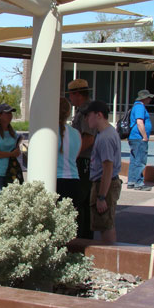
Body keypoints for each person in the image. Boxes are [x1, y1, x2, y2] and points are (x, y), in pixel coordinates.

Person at [84, 100, 122, 244]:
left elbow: (108, 168)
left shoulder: (106, 137)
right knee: (104, 224)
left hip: (105, 184)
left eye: (88, 115)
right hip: (104, 183)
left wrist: (101, 197)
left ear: (99, 115)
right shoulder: (106, 133)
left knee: (106, 225)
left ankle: (109, 256)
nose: (86, 119)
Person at [67, 78, 96, 239]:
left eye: (70, 94)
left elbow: (88, 138)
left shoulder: (86, 111)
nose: (70, 98)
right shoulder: (83, 110)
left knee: (81, 200)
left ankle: (83, 238)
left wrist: (73, 155)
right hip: (84, 160)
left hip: (84, 161)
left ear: (77, 94)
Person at [55, 98, 83, 237]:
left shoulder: (49, 133)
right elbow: (75, 156)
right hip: (74, 181)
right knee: (70, 225)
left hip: (55, 181)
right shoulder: (76, 134)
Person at [0, 103, 21, 194]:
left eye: (11, 113)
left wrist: (17, 151)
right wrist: (11, 154)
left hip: (12, 170)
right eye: (7, 113)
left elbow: (16, 149)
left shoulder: (13, 132)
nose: (10, 115)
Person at [127, 89, 154, 191]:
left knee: (134, 159)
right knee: (140, 160)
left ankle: (132, 181)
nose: (150, 100)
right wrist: (144, 136)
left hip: (134, 137)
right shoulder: (139, 107)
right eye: (148, 98)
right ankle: (138, 182)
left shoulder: (136, 106)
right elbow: (139, 122)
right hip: (138, 137)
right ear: (144, 98)